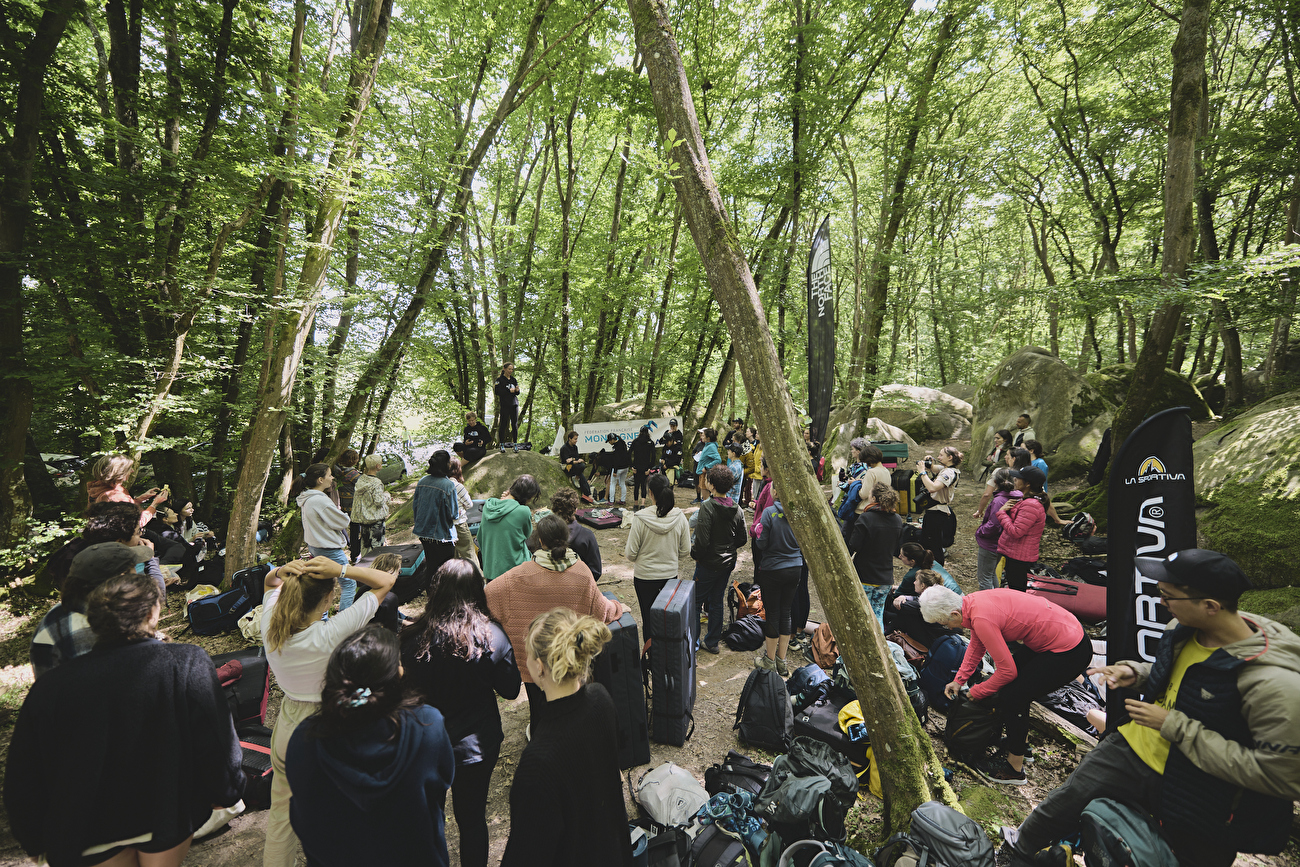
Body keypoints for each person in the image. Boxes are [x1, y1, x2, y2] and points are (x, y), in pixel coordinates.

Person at [1001, 549, 1300, 867]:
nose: (1160, 603)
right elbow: (1178, 678)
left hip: (1201, 786)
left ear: (1210, 607)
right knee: (1064, 804)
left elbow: (1279, 776)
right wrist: (1136, 673)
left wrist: (1175, 726)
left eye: (1168, 596)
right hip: (1132, 748)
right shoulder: (1182, 628)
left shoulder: (1273, 683)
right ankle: (1015, 854)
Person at [7, 567, 244, 867]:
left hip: (86, 824)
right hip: (163, 810)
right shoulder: (186, 661)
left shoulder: (51, 687)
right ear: (151, 614)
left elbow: (26, 770)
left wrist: (31, 836)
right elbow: (215, 737)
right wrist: (226, 790)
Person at [260, 556, 396, 867]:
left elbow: (269, 583)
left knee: (281, 813)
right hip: (327, 724)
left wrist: (280, 571)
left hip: (287, 724)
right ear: (327, 598)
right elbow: (385, 581)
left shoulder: (271, 624)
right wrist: (343, 569)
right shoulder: (331, 631)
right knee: (339, 812)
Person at [287, 625, 455, 867]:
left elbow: (302, 809)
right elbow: (442, 782)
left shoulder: (305, 738)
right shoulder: (428, 725)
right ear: (394, 676)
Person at [401, 560, 520, 867]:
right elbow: (510, 689)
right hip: (475, 746)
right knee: (471, 819)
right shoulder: (491, 637)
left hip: (426, 744)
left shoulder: (412, 637)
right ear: (476, 591)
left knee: (431, 819)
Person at [500, 608, 634, 867]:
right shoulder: (601, 700)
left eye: (527, 654)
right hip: (612, 852)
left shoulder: (538, 764)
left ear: (539, 668)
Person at [921, 585, 1089, 785]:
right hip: (1055, 635)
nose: (948, 628)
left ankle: (1014, 769)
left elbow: (1007, 671)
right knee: (1012, 690)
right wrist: (959, 680)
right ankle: (1020, 745)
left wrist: (979, 691)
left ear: (955, 613)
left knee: (1013, 696)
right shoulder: (972, 603)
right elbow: (977, 644)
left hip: (1070, 649)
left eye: (944, 622)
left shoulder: (981, 617)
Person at [484, 515, 626, 719]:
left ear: (540, 541)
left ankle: (539, 736)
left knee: (538, 712)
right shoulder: (582, 572)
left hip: (535, 661)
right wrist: (617, 606)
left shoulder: (517, 576)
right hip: (570, 658)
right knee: (572, 710)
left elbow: (487, 597)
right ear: (566, 538)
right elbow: (601, 611)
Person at [30, 540, 159, 679]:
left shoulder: (74, 606)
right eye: (134, 568)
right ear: (121, 578)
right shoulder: (85, 630)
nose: (138, 576)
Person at [691, 464, 747, 654]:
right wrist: (728, 549)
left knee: (696, 602)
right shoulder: (737, 508)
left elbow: (702, 541)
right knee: (716, 600)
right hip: (726, 563)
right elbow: (742, 538)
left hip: (708, 564)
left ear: (712, 485)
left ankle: (695, 642)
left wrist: (696, 556)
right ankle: (712, 641)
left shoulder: (707, 507)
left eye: (707, 480)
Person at [624, 473, 692, 624]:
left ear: (650, 493)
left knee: (648, 620)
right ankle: (666, 648)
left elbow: (630, 554)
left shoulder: (641, 518)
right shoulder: (679, 516)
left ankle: (650, 647)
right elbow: (686, 550)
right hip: (669, 575)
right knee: (667, 621)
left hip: (644, 577)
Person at [754, 485, 803, 676]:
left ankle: (769, 659)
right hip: (795, 567)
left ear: (775, 492)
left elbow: (761, 543)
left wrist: (759, 532)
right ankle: (782, 661)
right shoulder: (798, 513)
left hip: (773, 568)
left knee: (773, 612)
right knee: (786, 612)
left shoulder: (769, 513)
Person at [294, 463, 356, 609]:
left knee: (324, 585)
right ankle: (346, 623)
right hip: (329, 548)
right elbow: (341, 521)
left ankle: (321, 620)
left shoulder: (307, 498)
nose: (332, 478)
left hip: (315, 547)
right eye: (329, 475)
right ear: (320, 480)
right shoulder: (319, 500)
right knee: (349, 583)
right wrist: (344, 515)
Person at [847, 483, 904, 628]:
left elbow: (854, 545)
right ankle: (880, 647)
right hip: (885, 577)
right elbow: (897, 548)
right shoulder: (897, 519)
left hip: (864, 574)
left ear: (873, 498)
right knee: (878, 614)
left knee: (861, 616)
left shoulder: (866, 518)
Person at [413, 451, 459, 595]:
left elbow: (415, 506)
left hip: (423, 532)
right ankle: (445, 597)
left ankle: (431, 595)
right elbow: (454, 514)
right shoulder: (448, 485)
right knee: (446, 568)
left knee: (431, 565)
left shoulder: (422, 481)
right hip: (442, 534)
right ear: (446, 464)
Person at [479, 474, 540, 582]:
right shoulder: (523, 511)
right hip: (514, 571)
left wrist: (505, 500)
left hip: (490, 571)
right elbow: (527, 534)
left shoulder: (488, 506)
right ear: (527, 496)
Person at [996, 466, 1048, 592]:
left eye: (1018, 478)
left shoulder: (1031, 505)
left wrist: (1002, 513)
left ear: (1028, 484)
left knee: (1017, 590)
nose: (1015, 480)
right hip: (1015, 553)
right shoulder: (1027, 500)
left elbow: (1016, 532)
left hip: (1019, 557)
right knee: (1014, 586)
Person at [87, 453, 168, 525]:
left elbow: (123, 509)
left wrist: (141, 498)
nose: (132, 471)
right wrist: (154, 504)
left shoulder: (100, 488)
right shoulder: (114, 495)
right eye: (129, 469)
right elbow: (135, 523)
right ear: (119, 473)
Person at [888, 568, 962, 646]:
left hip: (935, 640)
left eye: (916, 580)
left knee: (904, 616)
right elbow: (916, 599)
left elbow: (899, 607)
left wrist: (901, 598)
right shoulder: (939, 595)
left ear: (922, 585)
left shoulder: (927, 604)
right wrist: (905, 597)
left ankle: (887, 635)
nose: (914, 582)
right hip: (941, 635)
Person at [914, 446, 961, 565]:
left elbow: (932, 488)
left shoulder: (949, 473)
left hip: (938, 513)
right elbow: (933, 467)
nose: (938, 457)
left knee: (934, 546)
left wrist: (922, 473)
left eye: (941, 455)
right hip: (932, 511)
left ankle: (937, 570)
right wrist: (928, 462)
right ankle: (930, 569)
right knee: (927, 542)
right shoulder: (945, 468)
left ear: (950, 457)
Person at [975, 467, 1016, 591]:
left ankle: (989, 605)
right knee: (991, 573)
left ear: (996, 482)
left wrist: (980, 531)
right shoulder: (1013, 497)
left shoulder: (999, 500)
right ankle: (997, 599)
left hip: (991, 544)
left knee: (984, 578)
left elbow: (994, 525)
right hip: (1000, 542)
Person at [550, 488, 602, 580]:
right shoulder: (587, 535)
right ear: (575, 510)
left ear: (554, 510)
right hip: (579, 587)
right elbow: (596, 571)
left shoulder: (544, 534)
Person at [351, 453, 391, 559]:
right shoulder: (376, 483)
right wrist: (386, 496)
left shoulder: (361, 479)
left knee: (365, 544)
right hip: (375, 518)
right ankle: (375, 568)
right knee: (377, 546)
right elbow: (378, 501)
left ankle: (365, 564)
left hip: (364, 518)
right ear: (378, 466)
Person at [1024, 439, 1067, 526]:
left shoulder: (1040, 463)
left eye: (1023, 449)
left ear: (1031, 451)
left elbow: (1041, 482)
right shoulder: (1025, 462)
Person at [448, 457, 480, 569]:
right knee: (469, 553)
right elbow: (470, 504)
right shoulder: (457, 486)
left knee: (454, 555)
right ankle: (478, 579)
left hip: (446, 525)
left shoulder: (441, 485)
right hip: (459, 524)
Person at [559, 430, 595, 502]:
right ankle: (575, 477)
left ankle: (589, 495)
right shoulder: (564, 448)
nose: (576, 441)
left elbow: (576, 458)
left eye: (576, 439)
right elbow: (567, 461)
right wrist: (575, 460)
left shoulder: (575, 447)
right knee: (581, 466)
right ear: (570, 438)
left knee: (582, 475)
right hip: (567, 467)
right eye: (575, 439)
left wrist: (573, 459)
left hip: (574, 466)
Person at [630, 425, 658, 509]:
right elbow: (653, 456)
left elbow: (629, 453)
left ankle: (635, 504)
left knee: (636, 485)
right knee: (643, 485)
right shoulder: (650, 442)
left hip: (636, 467)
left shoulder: (635, 441)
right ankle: (642, 504)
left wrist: (632, 466)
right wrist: (650, 467)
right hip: (645, 468)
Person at [599, 434, 631, 506]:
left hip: (618, 468)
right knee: (622, 483)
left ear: (612, 440)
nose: (609, 443)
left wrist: (615, 470)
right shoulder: (623, 443)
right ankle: (623, 500)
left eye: (609, 441)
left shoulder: (616, 447)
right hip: (625, 467)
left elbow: (616, 459)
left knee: (612, 484)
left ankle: (611, 500)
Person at [692, 427, 721, 504]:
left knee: (706, 500)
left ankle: (707, 514)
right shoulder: (707, 445)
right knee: (705, 499)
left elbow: (718, 459)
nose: (702, 436)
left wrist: (706, 467)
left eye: (703, 435)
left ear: (708, 438)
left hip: (705, 474)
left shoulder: (711, 446)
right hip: (702, 474)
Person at [495, 363, 521, 444]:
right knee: (503, 424)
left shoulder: (513, 380)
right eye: (509, 369)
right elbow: (497, 392)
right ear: (504, 369)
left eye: (512, 369)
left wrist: (517, 390)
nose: (510, 371)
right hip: (505, 405)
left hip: (514, 404)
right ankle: (501, 443)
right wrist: (508, 391)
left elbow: (517, 392)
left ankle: (515, 443)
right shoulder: (499, 380)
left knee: (514, 424)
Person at [333, 449, 362, 517]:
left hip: (340, 501)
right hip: (352, 503)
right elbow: (363, 484)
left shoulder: (336, 470)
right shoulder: (353, 474)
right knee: (355, 524)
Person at [740, 427, 762, 508]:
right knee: (754, 491)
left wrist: (756, 469)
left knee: (757, 492)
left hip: (758, 474)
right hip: (755, 473)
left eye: (758, 433)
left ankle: (755, 506)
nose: (756, 434)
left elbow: (760, 461)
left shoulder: (759, 446)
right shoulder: (758, 445)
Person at [657, 419, 684, 484]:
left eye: (673, 426)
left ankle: (675, 480)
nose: (672, 427)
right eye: (671, 426)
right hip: (666, 452)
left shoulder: (679, 434)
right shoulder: (667, 432)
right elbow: (661, 441)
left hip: (674, 454)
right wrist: (667, 434)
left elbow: (679, 445)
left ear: (677, 426)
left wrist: (675, 443)